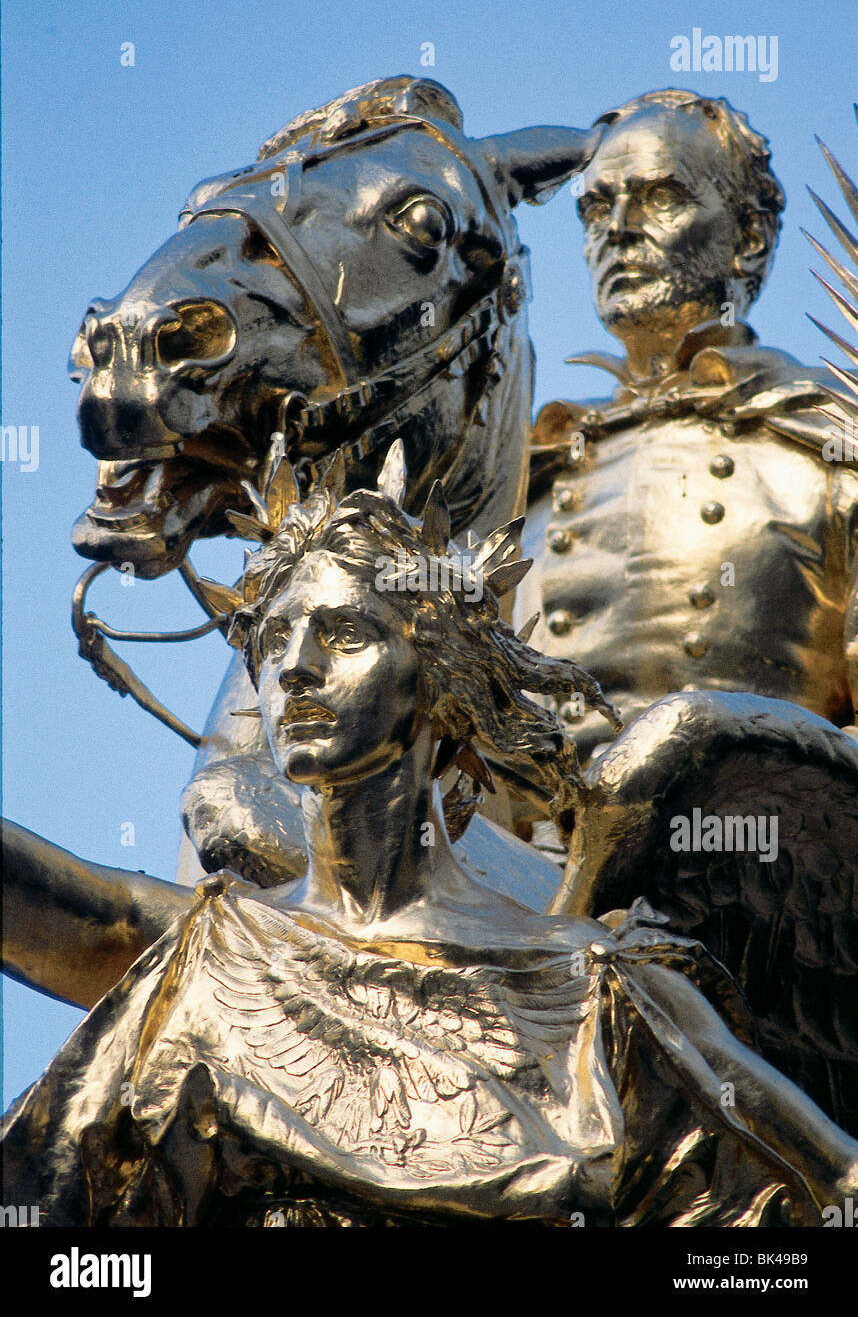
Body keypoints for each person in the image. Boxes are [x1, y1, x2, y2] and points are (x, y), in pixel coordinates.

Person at [3, 446, 856, 1227]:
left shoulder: (600, 999)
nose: (293, 666)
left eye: (342, 634)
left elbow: (822, 1199)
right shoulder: (206, 968)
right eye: (272, 640)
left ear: (440, 678)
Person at [517, 90, 858, 765]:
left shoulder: (829, 451)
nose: (617, 226)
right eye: (596, 205)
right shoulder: (524, 482)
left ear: (748, 240)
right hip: (529, 864)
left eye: (660, 197)